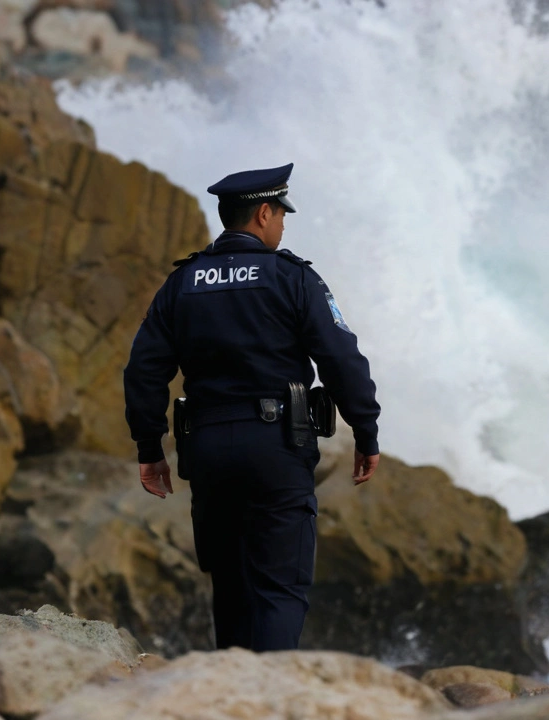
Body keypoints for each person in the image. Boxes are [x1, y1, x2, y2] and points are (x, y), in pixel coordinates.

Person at [123, 163, 381, 652]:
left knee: (232, 584)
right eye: (281, 213)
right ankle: (270, 700)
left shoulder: (182, 283)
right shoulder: (293, 278)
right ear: (264, 213)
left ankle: (233, 696)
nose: (283, 225)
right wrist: (365, 432)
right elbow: (342, 359)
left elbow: (143, 370)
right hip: (277, 449)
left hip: (209, 452)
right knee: (279, 588)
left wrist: (149, 447)